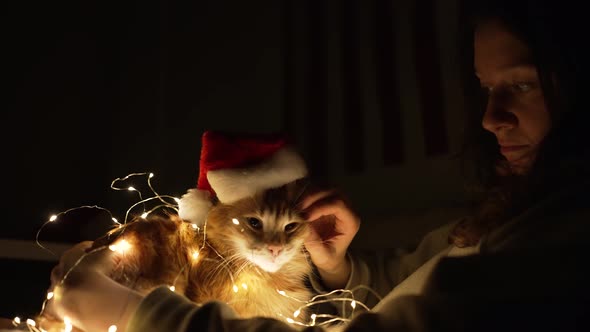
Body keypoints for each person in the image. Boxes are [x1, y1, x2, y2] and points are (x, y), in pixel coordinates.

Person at [43, 0, 590, 331]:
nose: (492, 119)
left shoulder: (561, 238)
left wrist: (138, 316)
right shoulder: (514, 214)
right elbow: (411, 294)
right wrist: (340, 270)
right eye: (485, 88)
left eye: (522, 84)